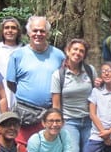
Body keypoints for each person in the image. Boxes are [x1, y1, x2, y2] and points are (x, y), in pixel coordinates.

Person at [6, 16, 66, 145]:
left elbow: (66, 82)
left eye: (42, 31)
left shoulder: (59, 55)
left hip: (49, 113)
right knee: (21, 151)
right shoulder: (17, 55)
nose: (38, 34)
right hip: (24, 114)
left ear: (48, 33)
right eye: (35, 31)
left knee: (45, 150)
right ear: (28, 33)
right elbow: (11, 83)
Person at [51, 38, 97, 152]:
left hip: (89, 120)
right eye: (75, 49)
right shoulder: (58, 75)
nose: (78, 53)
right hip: (69, 121)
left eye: (81, 51)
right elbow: (56, 105)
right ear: (67, 51)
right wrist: (57, 124)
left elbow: (96, 95)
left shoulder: (90, 70)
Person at [0, 17, 24, 110]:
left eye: (13, 28)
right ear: (2, 31)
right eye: (7, 28)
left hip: (19, 101)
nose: (10, 30)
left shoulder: (24, 50)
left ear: (18, 31)